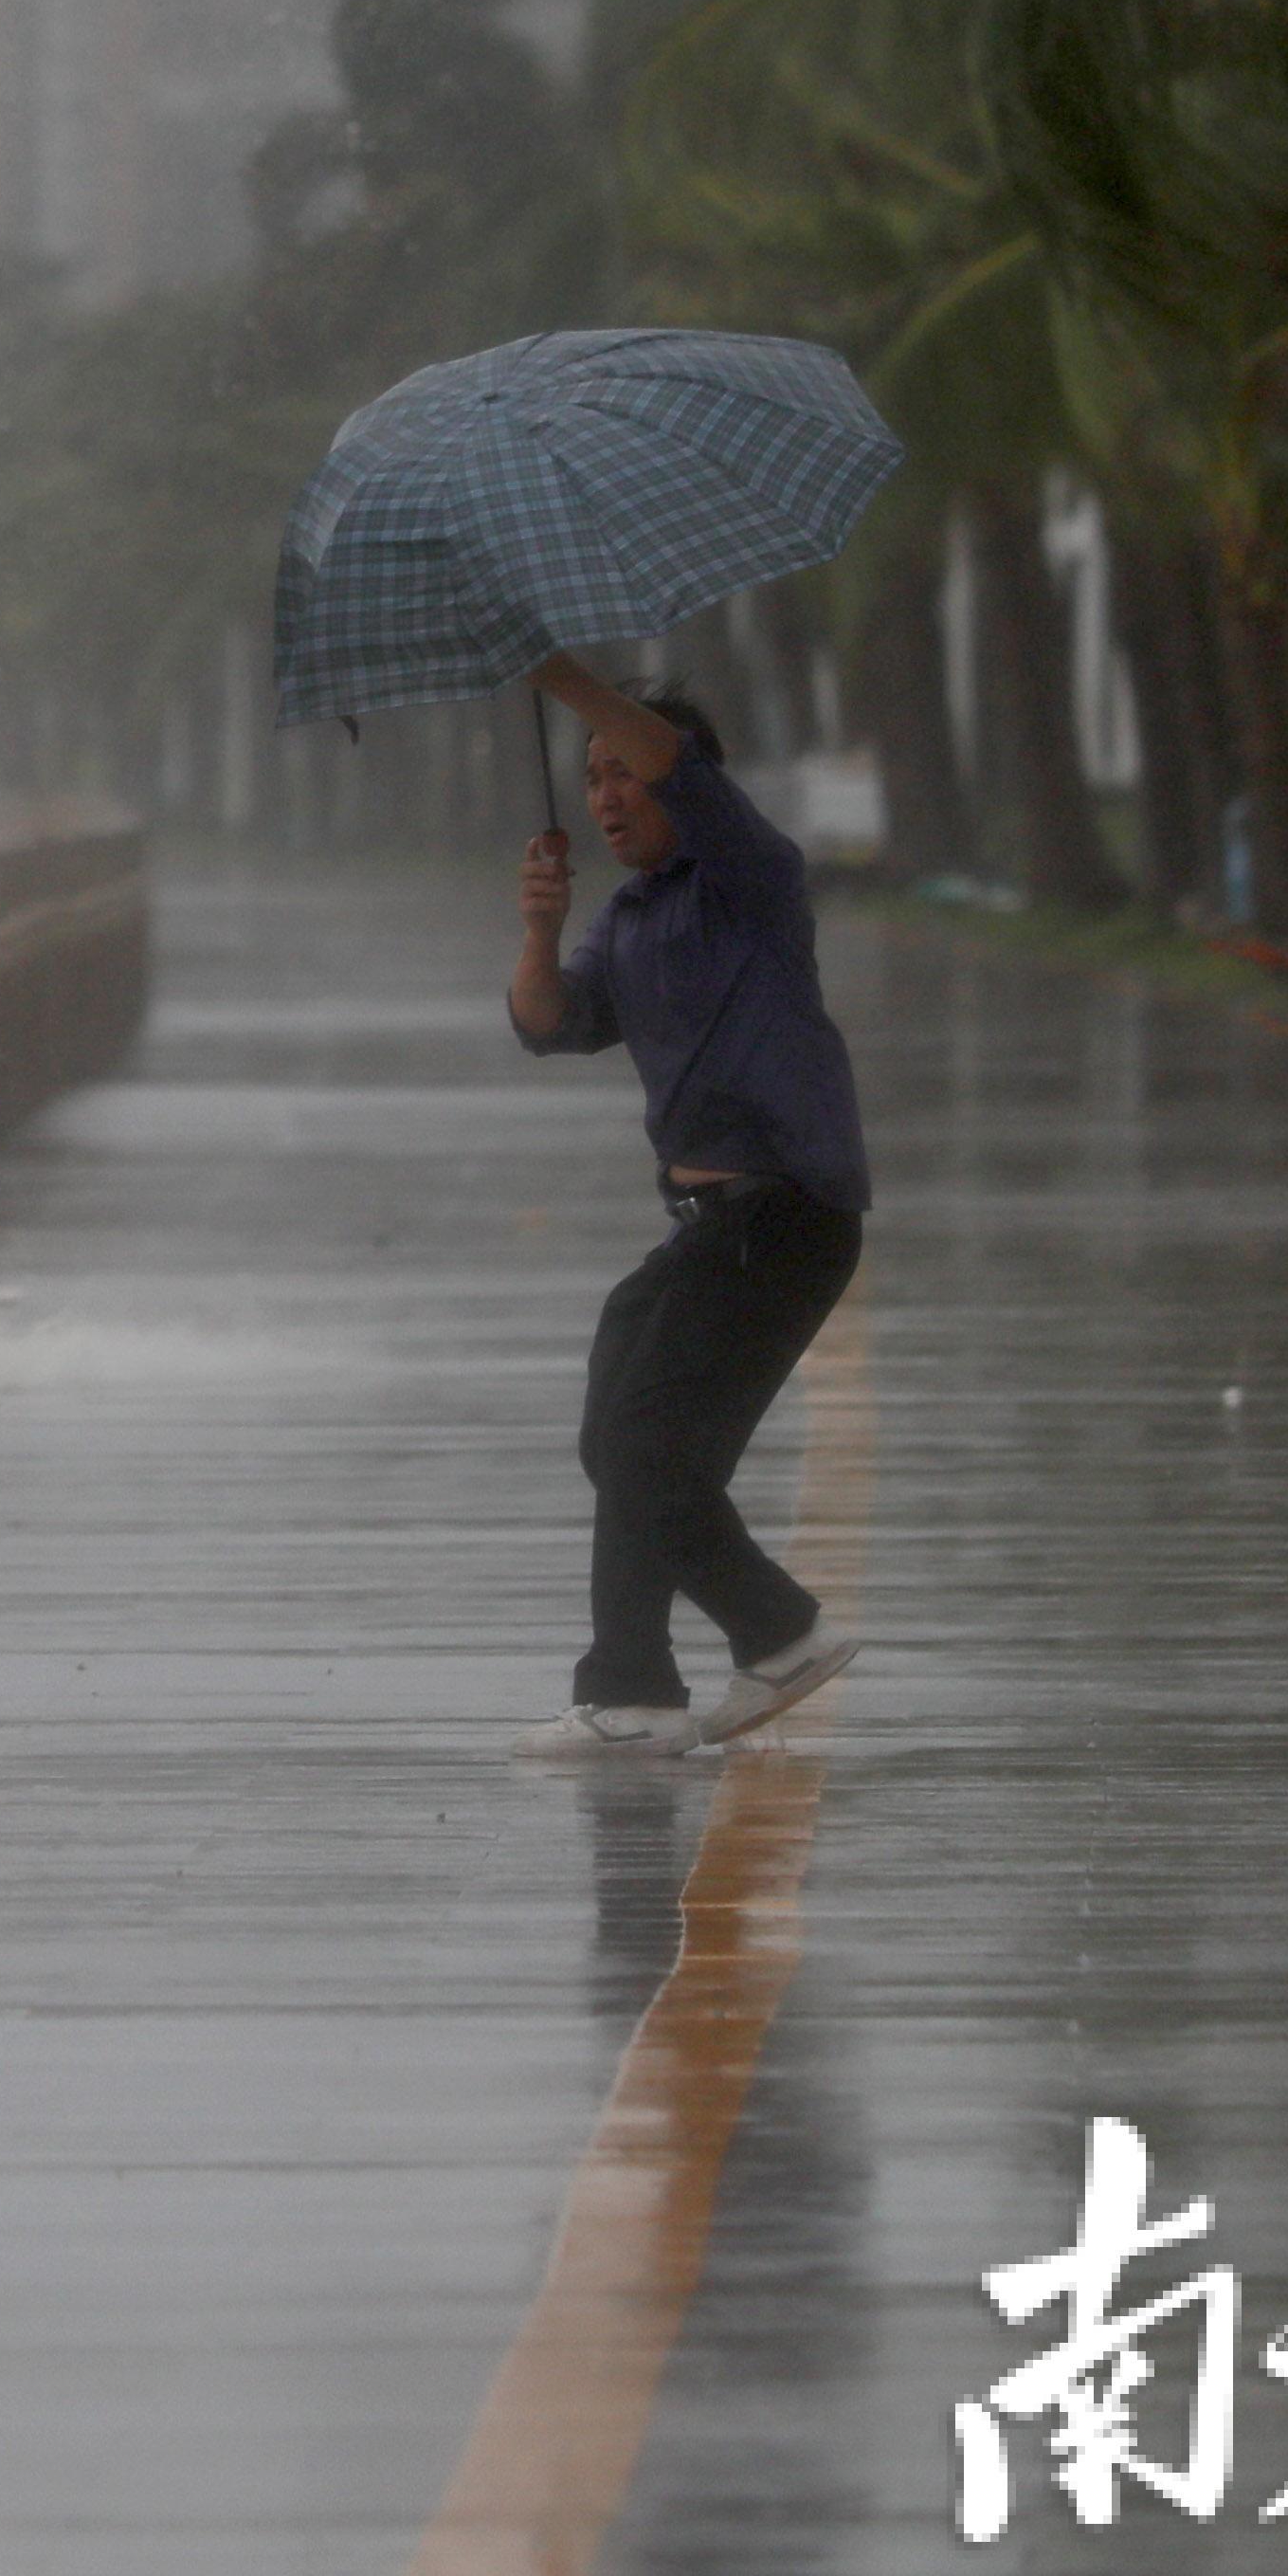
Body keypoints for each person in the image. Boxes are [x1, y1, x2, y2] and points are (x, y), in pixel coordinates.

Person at [506, 653, 870, 1759]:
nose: (606, 795)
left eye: (625, 772)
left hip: (782, 1213)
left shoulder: (747, 876)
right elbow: (547, 1024)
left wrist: (549, 669)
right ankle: (631, 1692)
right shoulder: (626, 917)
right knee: (616, 1436)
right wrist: (536, 922)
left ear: (686, 781)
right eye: (592, 777)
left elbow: (672, 758)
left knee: (645, 1451)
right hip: (710, 1229)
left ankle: (780, 1632)